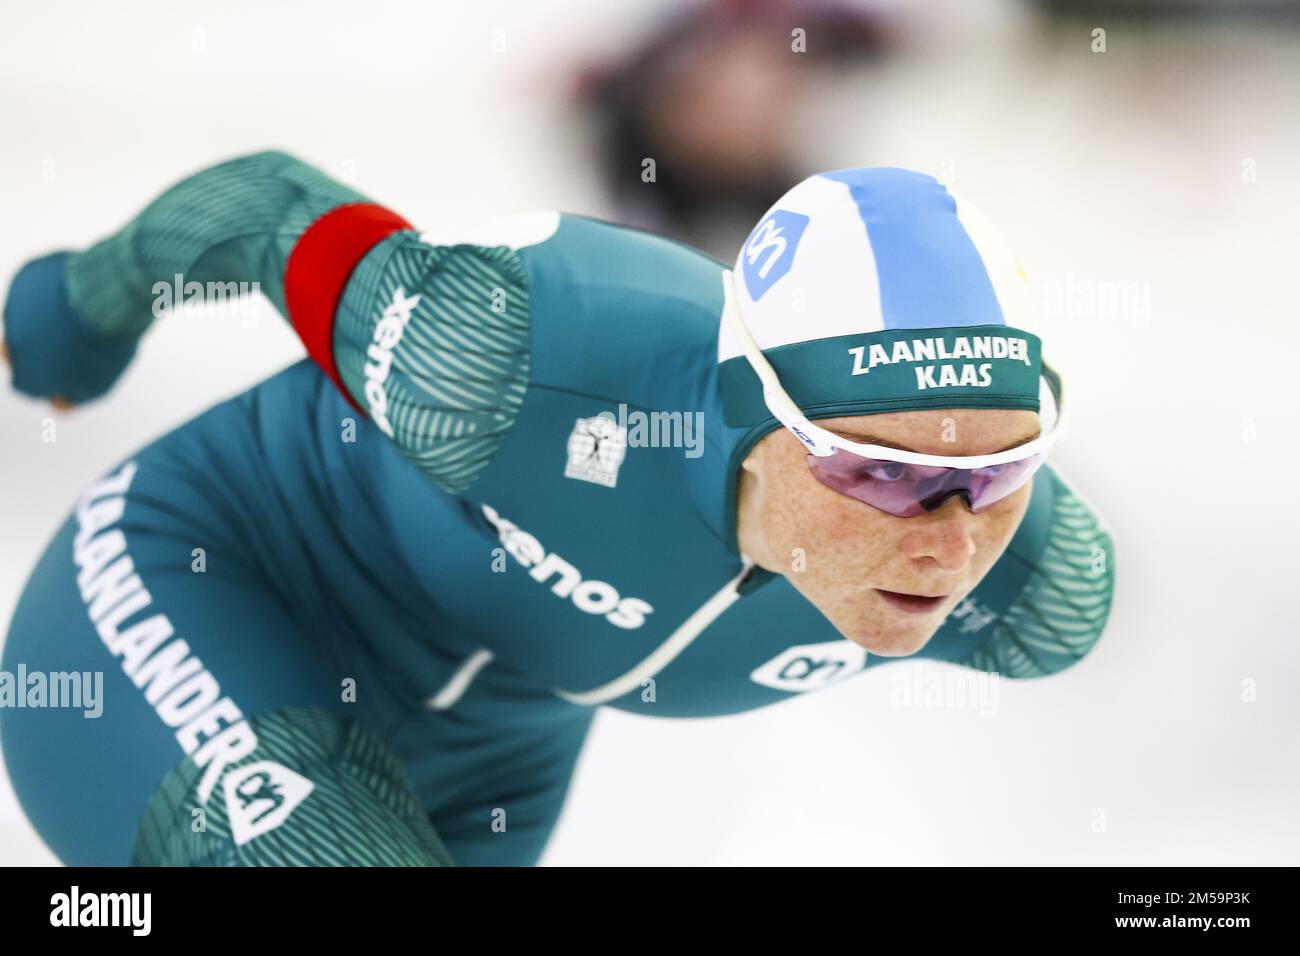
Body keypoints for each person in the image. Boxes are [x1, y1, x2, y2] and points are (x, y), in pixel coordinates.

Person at [0, 153, 1115, 866]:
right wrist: (71, 314)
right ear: (750, 411)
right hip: (211, 578)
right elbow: (261, 205)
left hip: (480, 764)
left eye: (1003, 473)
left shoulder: (1032, 591)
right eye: (877, 470)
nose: (949, 536)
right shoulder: (502, 357)